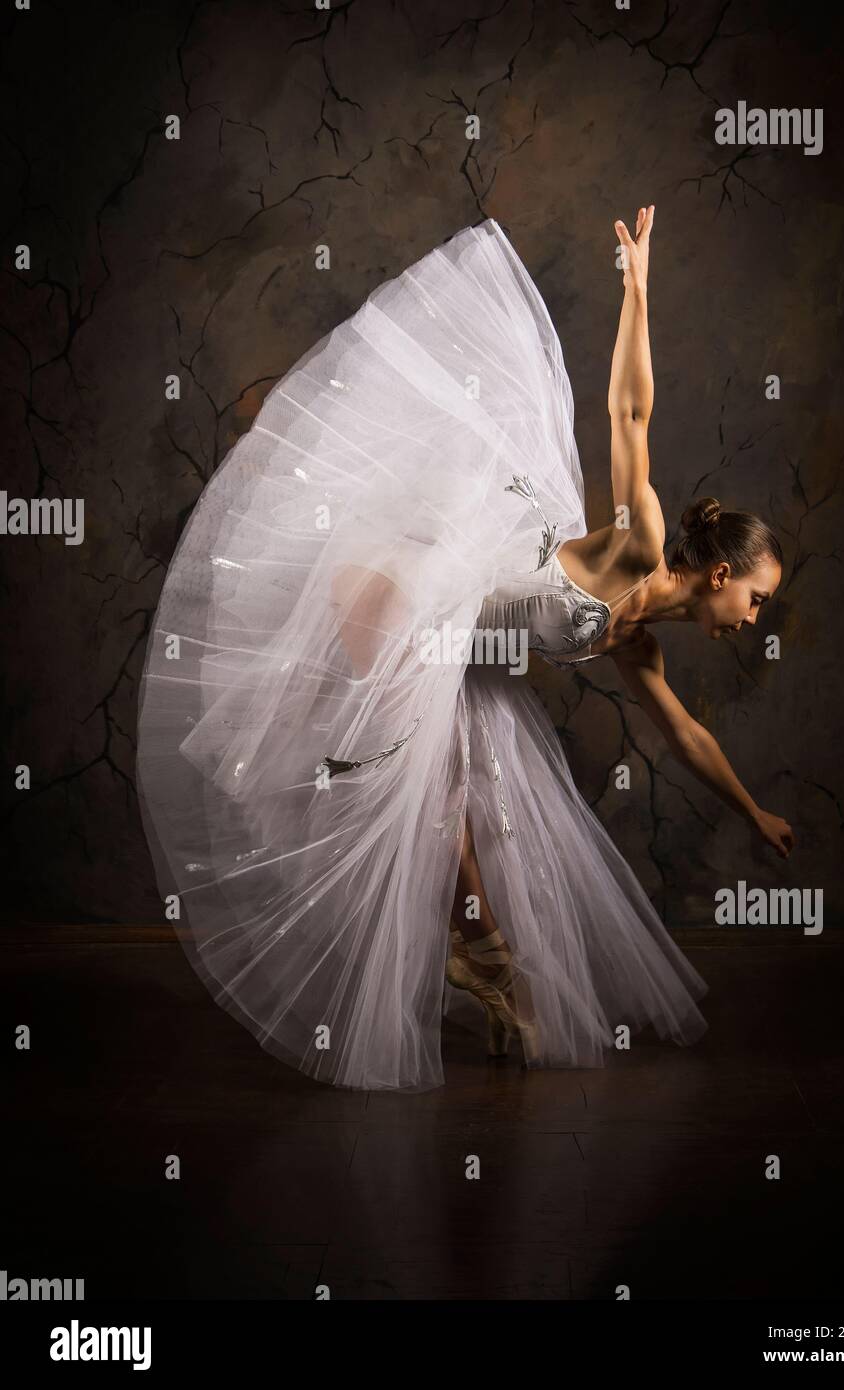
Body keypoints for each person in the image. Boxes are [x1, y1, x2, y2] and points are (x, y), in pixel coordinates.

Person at [135, 207, 793, 1093]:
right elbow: (628, 413)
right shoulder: (634, 549)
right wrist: (638, 291)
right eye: (756, 599)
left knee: (452, 793)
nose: (755, 619)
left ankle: (478, 951)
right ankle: (472, 943)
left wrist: (752, 810)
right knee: (397, 777)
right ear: (717, 574)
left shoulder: (637, 646)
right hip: (410, 592)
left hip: (458, 658)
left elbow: (684, 736)